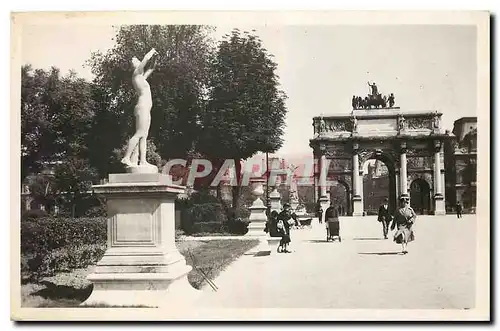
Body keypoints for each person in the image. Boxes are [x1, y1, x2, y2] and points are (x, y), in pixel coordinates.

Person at [121, 48, 159, 169]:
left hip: (146, 108)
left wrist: (156, 58)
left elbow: (152, 67)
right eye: (136, 61)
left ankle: (142, 161)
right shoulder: (136, 73)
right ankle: (126, 157)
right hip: (142, 107)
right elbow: (145, 60)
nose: (138, 62)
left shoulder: (142, 77)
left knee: (144, 135)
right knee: (139, 133)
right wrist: (152, 51)